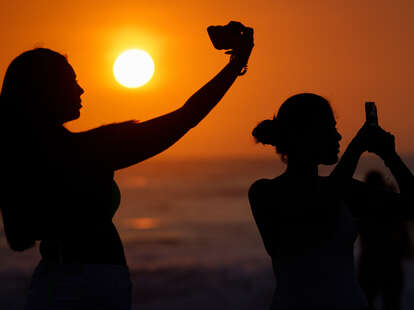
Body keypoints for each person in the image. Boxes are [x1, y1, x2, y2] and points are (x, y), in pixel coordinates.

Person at [0, 22, 253, 310]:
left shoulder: (18, 157)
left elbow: (19, 238)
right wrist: (237, 63)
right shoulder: (89, 150)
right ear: (47, 91)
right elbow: (185, 118)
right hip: (93, 286)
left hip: (50, 282)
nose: (81, 89)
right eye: (71, 80)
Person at [248, 93, 414, 310]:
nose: (338, 137)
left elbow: (410, 207)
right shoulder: (265, 192)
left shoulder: (346, 190)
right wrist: (356, 147)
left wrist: (390, 156)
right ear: (305, 134)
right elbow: (320, 213)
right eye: (330, 128)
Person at [358, 170, 410, 310]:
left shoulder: (363, 207)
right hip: (388, 263)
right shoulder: (391, 207)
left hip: (372, 263)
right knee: (391, 303)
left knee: (369, 302)